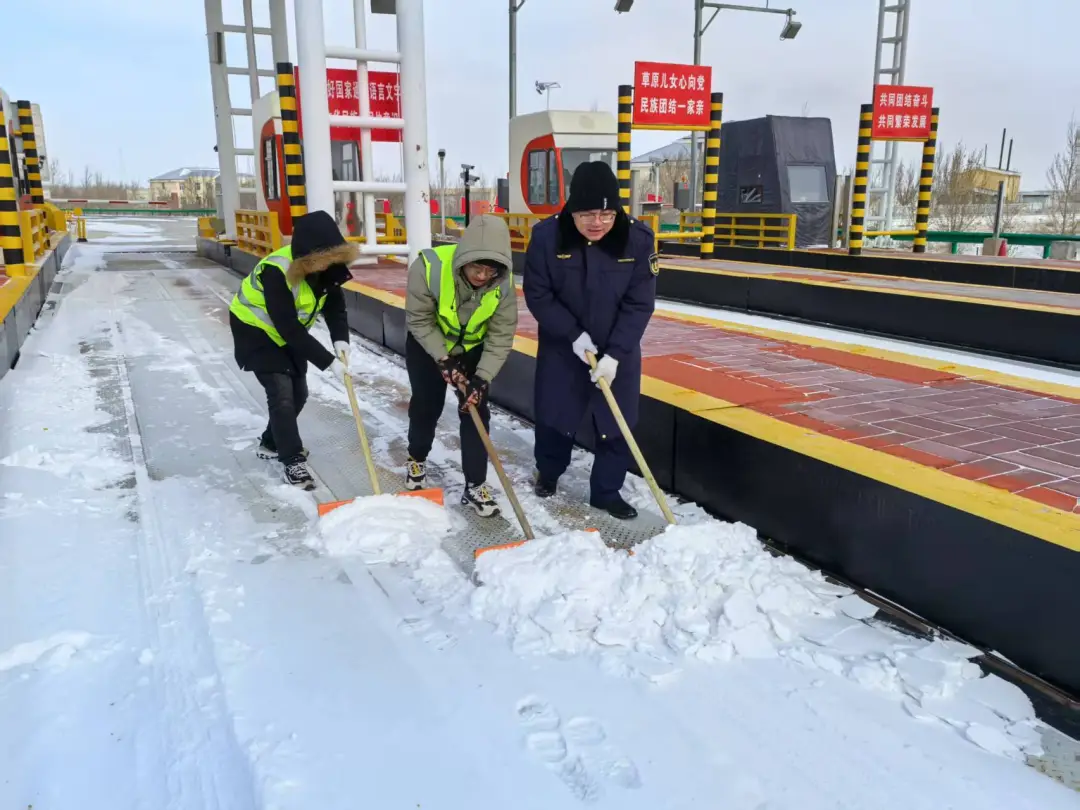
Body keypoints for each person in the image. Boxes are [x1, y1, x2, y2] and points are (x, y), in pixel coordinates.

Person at [522, 161, 658, 520]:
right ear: (571, 209)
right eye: (585, 214)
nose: (597, 223)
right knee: (556, 415)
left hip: (618, 352)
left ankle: (607, 491)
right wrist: (572, 335)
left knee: (617, 420)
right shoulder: (547, 237)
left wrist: (615, 354)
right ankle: (548, 473)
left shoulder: (638, 239)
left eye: (606, 213)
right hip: (563, 347)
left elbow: (640, 302)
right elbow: (538, 294)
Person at [229, 209, 359, 490]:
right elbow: (288, 327)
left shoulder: (329, 264)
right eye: (319, 261)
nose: (325, 266)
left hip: (289, 334)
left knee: (299, 392)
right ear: (306, 257)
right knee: (282, 394)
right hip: (255, 330)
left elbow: (335, 305)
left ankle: (271, 442)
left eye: (331, 258)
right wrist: (328, 363)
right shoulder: (277, 272)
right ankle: (292, 460)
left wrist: (340, 340)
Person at [404, 214, 518, 517]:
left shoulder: (503, 285)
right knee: (427, 404)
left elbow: (501, 335)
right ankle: (417, 457)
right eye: (475, 267)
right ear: (462, 259)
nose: (482, 275)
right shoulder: (428, 268)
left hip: (472, 349)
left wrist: (482, 377)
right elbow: (419, 319)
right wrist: (443, 359)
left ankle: (475, 483)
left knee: (476, 409)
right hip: (429, 344)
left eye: (490, 269)